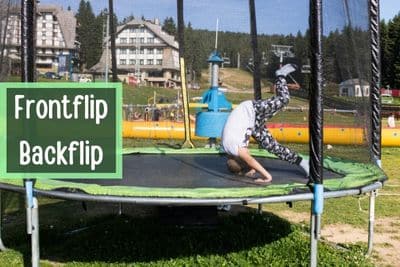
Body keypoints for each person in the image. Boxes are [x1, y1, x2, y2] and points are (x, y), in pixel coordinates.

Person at [221, 63, 309, 184]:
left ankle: (280, 76)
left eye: (244, 159)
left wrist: (267, 177)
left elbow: (250, 159)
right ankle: (302, 162)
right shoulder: (232, 151)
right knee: (272, 146)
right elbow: (247, 159)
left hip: (251, 109)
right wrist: (250, 169)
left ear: (239, 157)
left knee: (284, 99)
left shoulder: (235, 149)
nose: (247, 154)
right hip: (252, 124)